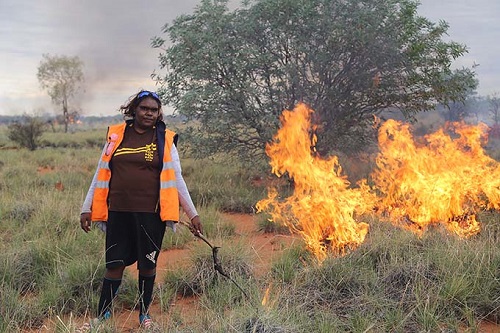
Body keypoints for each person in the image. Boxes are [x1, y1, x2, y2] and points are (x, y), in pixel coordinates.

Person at [79, 90, 202, 330]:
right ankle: (102, 317)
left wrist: (193, 213)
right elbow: (100, 173)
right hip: (118, 212)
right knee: (114, 264)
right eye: (144, 108)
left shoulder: (164, 139)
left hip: (151, 213)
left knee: (147, 265)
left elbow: (177, 179)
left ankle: (144, 316)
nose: (149, 113)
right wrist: (87, 208)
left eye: (154, 110)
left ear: (159, 114)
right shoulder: (116, 136)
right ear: (134, 109)